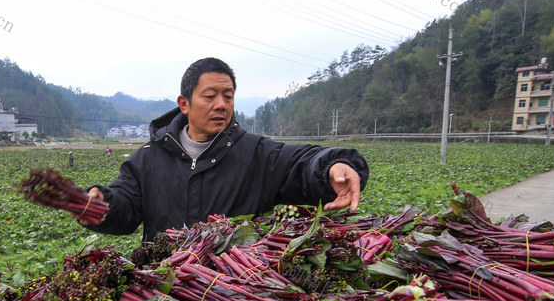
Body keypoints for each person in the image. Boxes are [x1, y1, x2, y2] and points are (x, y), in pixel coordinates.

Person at [77, 57, 368, 242]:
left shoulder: (257, 154)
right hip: (163, 295)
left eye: (228, 96)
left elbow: (300, 163)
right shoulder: (148, 160)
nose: (221, 105)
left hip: (235, 298)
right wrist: (100, 206)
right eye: (210, 96)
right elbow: (125, 207)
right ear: (184, 104)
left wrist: (332, 166)